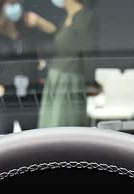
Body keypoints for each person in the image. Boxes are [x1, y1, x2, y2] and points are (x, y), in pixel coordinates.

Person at [0, 1, 57, 134]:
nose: (15, 7)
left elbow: (54, 34)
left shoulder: (27, 31)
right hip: (2, 96)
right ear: (0, 8)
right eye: (10, 4)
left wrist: (39, 21)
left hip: (29, 95)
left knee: (32, 136)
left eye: (16, 3)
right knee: (6, 138)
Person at [38, 0, 98, 128]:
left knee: (65, 126)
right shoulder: (67, 17)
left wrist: (90, 83)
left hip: (69, 81)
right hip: (56, 78)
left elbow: (88, 54)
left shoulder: (84, 17)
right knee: (50, 126)